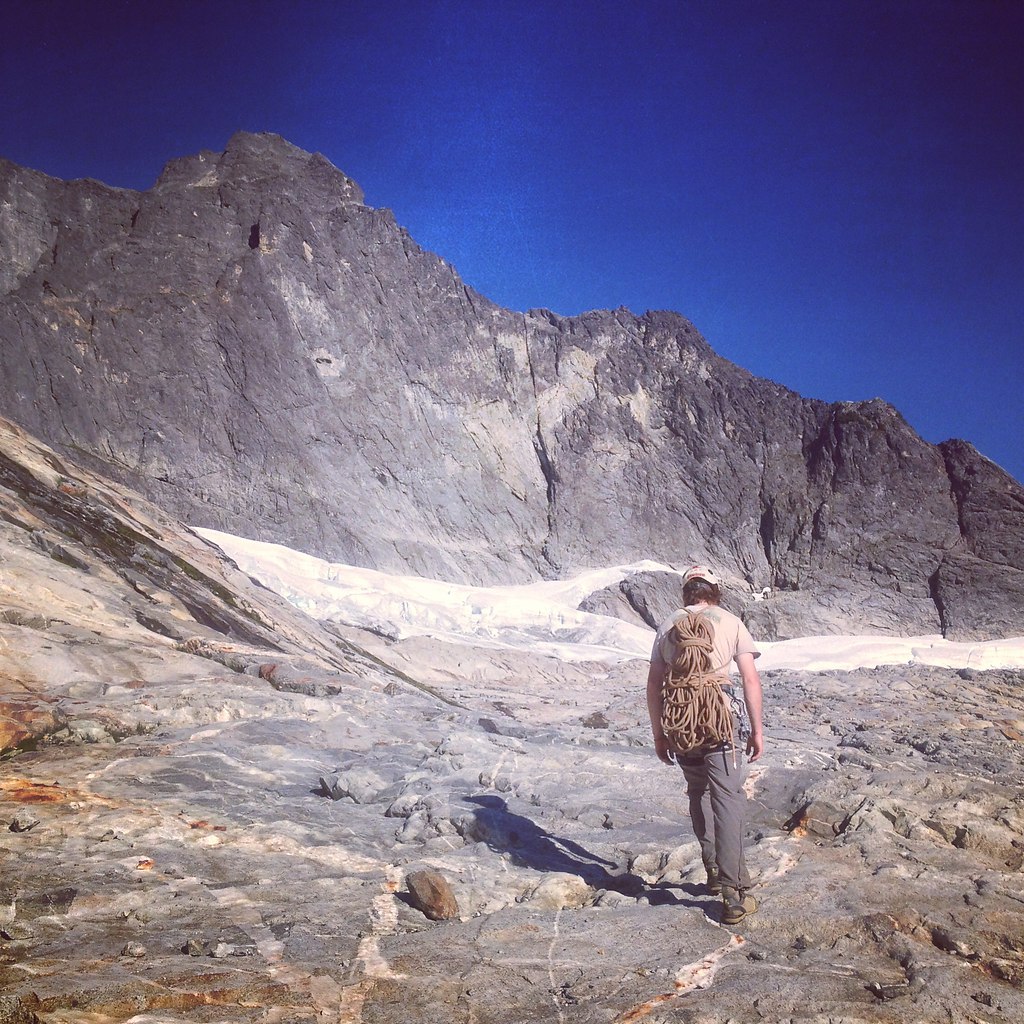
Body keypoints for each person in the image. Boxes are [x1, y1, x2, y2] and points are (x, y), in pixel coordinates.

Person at [646, 565, 764, 925]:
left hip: (682, 721)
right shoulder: (730, 621)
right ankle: (734, 893)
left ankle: (713, 871)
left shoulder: (668, 623)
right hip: (720, 718)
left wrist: (659, 734)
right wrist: (757, 730)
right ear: (715, 590)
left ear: (686, 593)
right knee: (727, 797)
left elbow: (654, 685)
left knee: (698, 790)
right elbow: (749, 679)